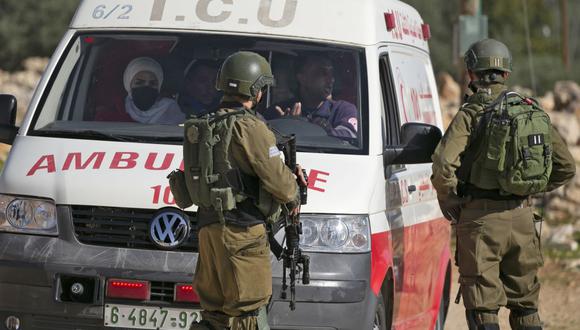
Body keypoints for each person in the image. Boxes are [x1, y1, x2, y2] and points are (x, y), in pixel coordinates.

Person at [431, 38, 576, 330]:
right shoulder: (530, 110)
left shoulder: (471, 113)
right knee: (526, 308)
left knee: (483, 310)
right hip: (524, 220)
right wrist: (526, 187)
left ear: (471, 74)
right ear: (506, 74)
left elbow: (444, 164)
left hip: (481, 220)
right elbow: (566, 168)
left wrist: (450, 202)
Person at [189, 51, 304, 330]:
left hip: (208, 231)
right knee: (248, 315)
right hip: (243, 234)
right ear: (256, 90)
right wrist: (295, 192)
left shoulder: (204, 125)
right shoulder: (251, 127)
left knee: (214, 314)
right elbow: (279, 181)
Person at [263, 54, 358, 139]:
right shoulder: (277, 111)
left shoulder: (342, 110)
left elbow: (348, 139)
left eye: (331, 73)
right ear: (302, 78)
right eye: (322, 73)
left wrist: (322, 129)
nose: (331, 80)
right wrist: (286, 125)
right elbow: (262, 142)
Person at [95, 57, 185, 124]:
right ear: (128, 84)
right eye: (139, 83)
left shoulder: (170, 110)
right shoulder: (114, 112)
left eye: (152, 83)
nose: (146, 87)